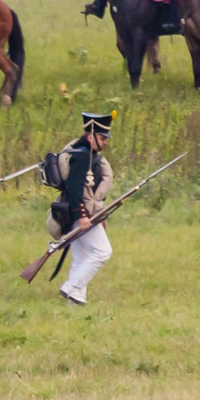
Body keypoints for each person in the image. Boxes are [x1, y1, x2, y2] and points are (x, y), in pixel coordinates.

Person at [52, 110, 116, 306]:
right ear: (90, 137)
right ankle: (70, 287)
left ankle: (76, 300)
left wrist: (98, 213)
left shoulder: (87, 154)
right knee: (103, 252)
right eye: (102, 137)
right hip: (79, 213)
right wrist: (82, 216)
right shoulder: (82, 156)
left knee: (82, 257)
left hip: (78, 213)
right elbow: (74, 188)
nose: (105, 141)